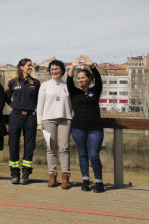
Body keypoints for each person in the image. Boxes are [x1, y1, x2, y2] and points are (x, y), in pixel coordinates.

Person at [67, 55, 104, 193]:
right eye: (79, 78)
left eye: (83, 77)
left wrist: (92, 66)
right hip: (78, 129)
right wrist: (72, 67)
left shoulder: (95, 91)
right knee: (82, 154)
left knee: (94, 155)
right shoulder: (74, 92)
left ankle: (99, 182)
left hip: (95, 129)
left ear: (89, 79)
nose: (81, 80)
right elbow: (69, 81)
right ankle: (85, 181)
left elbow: (99, 80)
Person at [37, 60, 72, 189]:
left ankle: (65, 176)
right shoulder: (44, 85)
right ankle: (52, 174)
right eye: (52, 69)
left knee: (64, 148)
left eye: (57, 69)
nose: (54, 71)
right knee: (50, 148)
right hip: (48, 120)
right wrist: (39, 123)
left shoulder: (68, 84)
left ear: (62, 70)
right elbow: (40, 105)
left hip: (65, 119)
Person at [6, 58, 40, 185]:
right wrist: (14, 106)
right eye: (28, 65)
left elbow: (39, 99)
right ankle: (14, 173)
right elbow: (7, 97)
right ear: (21, 67)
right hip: (15, 116)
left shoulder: (35, 83)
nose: (31, 67)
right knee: (13, 145)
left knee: (29, 146)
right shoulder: (13, 82)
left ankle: (26, 173)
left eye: (31, 66)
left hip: (31, 117)